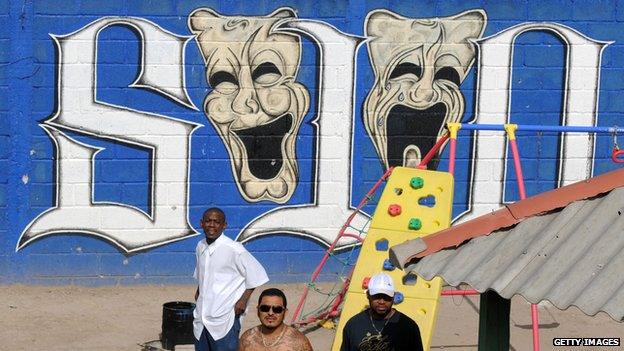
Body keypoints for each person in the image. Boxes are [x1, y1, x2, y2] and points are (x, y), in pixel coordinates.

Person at [194, 207, 269, 351]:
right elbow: (202, 273)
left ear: (224, 225)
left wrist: (243, 300)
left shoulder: (234, 249)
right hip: (202, 315)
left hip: (225, 316)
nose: (211, 225)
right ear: (201, 223)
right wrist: (199, 291)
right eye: (208, 221)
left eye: (216, 222)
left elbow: (256, 274)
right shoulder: (200, 246)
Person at [340, 272, 423, 351]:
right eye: (377, 296)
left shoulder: (408, 326)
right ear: (368, 295)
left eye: (387, 297)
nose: (382, 302)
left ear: (393, 296)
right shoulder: (353, 325)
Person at [239, 288, 313, 351]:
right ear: (258, 311)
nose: (270, 313)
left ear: (285, 312)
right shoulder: (247, 338)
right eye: (265, 308)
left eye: (277, 309)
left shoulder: (299, 342)